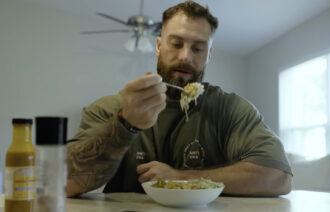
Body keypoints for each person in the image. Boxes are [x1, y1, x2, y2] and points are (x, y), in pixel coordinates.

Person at [66, 1, 292, 197]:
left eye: (198, 48)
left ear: (209, 55)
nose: (185, 56)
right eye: (176, 44)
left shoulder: (230, 109)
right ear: (158, 45)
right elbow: (67, 182)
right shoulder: (112, 108)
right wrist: (126, 124)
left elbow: (278, 177)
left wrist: (181, 178)